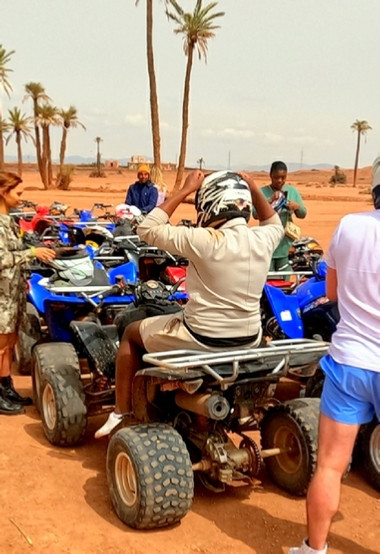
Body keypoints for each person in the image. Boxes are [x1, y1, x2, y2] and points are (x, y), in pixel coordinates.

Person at [95, 169, 284, 438]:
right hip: (248, 338)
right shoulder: (263, 239)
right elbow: (272, 221)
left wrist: (184, 190)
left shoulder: (203, 240)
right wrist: (252, 186)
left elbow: (147, 228)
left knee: (130, 333)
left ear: (211, 203)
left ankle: (120, 412)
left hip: (202, 337)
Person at [289, 155, 380, 554]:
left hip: (350, 361)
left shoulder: (350, 227)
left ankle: (315, 549)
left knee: (329, 465)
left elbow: (332, 294)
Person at [0, 171, 56, 415]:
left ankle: (6, 387)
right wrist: (31, 254)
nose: (21, 199)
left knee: (9, 343)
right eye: (18, 193)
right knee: (1, 346)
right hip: (2, 295)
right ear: (3, 192)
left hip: (12, 293)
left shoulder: (8, 220)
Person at [254, 161, 307, 275]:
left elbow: (303, 214)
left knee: (285, 280)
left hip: (285, 246)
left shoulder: (292, 191)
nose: (279, 181)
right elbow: (254, 214)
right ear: (270, 176)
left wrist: (297, 207)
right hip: (267, 245)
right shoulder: (262, 192)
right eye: (276, 177)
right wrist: (269, 201)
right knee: (268, 280)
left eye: (283, 177)